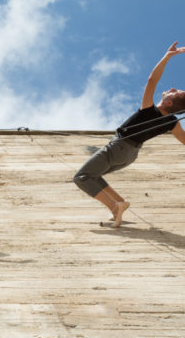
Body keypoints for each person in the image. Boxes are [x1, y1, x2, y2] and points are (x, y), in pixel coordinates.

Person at [73, 42, 185, 227]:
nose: (172, 88)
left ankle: (114, 206)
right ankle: (119, 204)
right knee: (95, 174)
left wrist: (166, 57)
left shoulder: (149, 110)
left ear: (169, 103)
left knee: (82, 177)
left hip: (119, 146)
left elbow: (152, 80)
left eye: (175, 92)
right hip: (130, 155)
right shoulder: (172, 122)